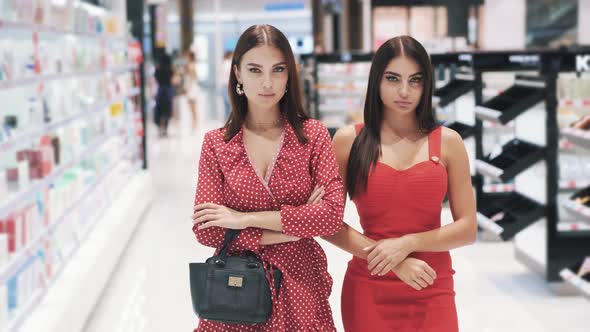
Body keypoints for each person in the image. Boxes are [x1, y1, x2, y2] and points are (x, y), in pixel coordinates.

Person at [191, 24, 344, 332]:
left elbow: (330, 218)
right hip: (234, 293)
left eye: (278, 70)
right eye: (255, 70)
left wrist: (241, 220)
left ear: (290, 75)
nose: (267, 82)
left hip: (300, 287)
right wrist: (294, 229)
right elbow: (205, 230)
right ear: (237, 74)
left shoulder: (313, 135)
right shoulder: (216, 144)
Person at [323, 36, 477, 331]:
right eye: (393, 79)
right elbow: (327, 223)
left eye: (415, 81)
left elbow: (467, 228)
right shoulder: (348, 141)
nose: (404, 91)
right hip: (369, 287)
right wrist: (393, 260)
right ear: (376, 81)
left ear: (426, 86)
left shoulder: (448, 143)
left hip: (432, 283)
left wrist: (408, 244)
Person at [154, 52, 175, 137]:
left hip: (160, 91)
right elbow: (173, 80)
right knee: (167, 111)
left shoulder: (157, 69)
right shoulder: (170, 69)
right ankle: (165, 130)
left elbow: (155, 79)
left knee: (159, 111)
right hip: (168, 91)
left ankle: (159, 129)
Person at [185, 50, 199, 130]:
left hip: (192, 88)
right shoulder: (192, 64)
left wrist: (188, 88)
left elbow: (192, 78)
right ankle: (194, 123)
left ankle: (194, 123)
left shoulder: (191, 65)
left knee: (192, 106)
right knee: (192, 106)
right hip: (193, 87)